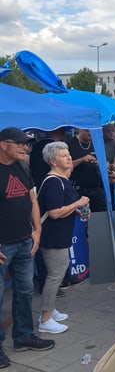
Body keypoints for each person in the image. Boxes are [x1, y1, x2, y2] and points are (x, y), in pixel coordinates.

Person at [0, 127, 55, 368]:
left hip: (24, 242)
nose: (26, 147)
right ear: (4, 144)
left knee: (24, 291)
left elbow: (32, 199)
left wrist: (37, 230)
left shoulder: (23, 166)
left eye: (27, 143)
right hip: (3, 246)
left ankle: (22, 336)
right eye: (20, 143)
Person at [36, 142, 90, 334]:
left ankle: (50, 309)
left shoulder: (60, 180)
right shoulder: (54, 182)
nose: (68, 158)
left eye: (68, 154)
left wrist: (76, 210)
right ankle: (45, 318)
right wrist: (79, 202)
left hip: (58, 234)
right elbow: (54, 213)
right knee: (55, 275)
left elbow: (61, 208)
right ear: (53, 161)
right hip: (52, 236)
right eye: (63, 155)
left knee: (57, 272)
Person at [66, 128, 107, 212]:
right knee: (83, 217)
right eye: (88, 131)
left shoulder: (96, 144)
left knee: (99, 216)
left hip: (96, 189)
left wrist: (101, 165)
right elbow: (65, 166)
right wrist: (81, 160)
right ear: (81, 130)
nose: (91, 134)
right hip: (79, 190)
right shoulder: (69, 144)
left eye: (93, 132)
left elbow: (105, 164)